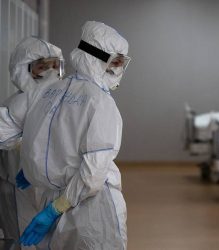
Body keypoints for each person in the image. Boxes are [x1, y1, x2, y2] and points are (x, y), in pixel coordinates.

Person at [0, 21, 130, 249]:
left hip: (78, 203)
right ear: (97, 59)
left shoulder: (47, 92)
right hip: (78, 203)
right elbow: (89, 171)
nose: (118, 71)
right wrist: (33, 165)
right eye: (115, 63)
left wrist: (53, 207)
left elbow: (11, 131)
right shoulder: (98, 102)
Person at [0, 37, 64, 249]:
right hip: (16, 186)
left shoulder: (65, 100)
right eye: (43, 67)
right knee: (22, 236)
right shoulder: (15, 104)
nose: (51, 73)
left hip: (50, 184)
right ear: (23, 69)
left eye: (55, 65)